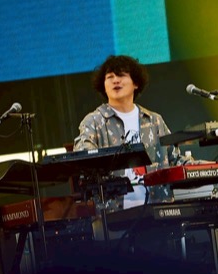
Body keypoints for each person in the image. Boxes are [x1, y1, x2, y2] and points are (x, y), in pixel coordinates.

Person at [73, 54, 182, 211]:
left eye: (121, 75)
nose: (115, 80)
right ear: (103, 85)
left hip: (158, 209)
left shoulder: (154, 120)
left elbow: (175, 159)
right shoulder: (94, 121)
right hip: (114, 213)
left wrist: (208, 167)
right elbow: (83, 156)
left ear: (135, 83)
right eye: (110, 77)